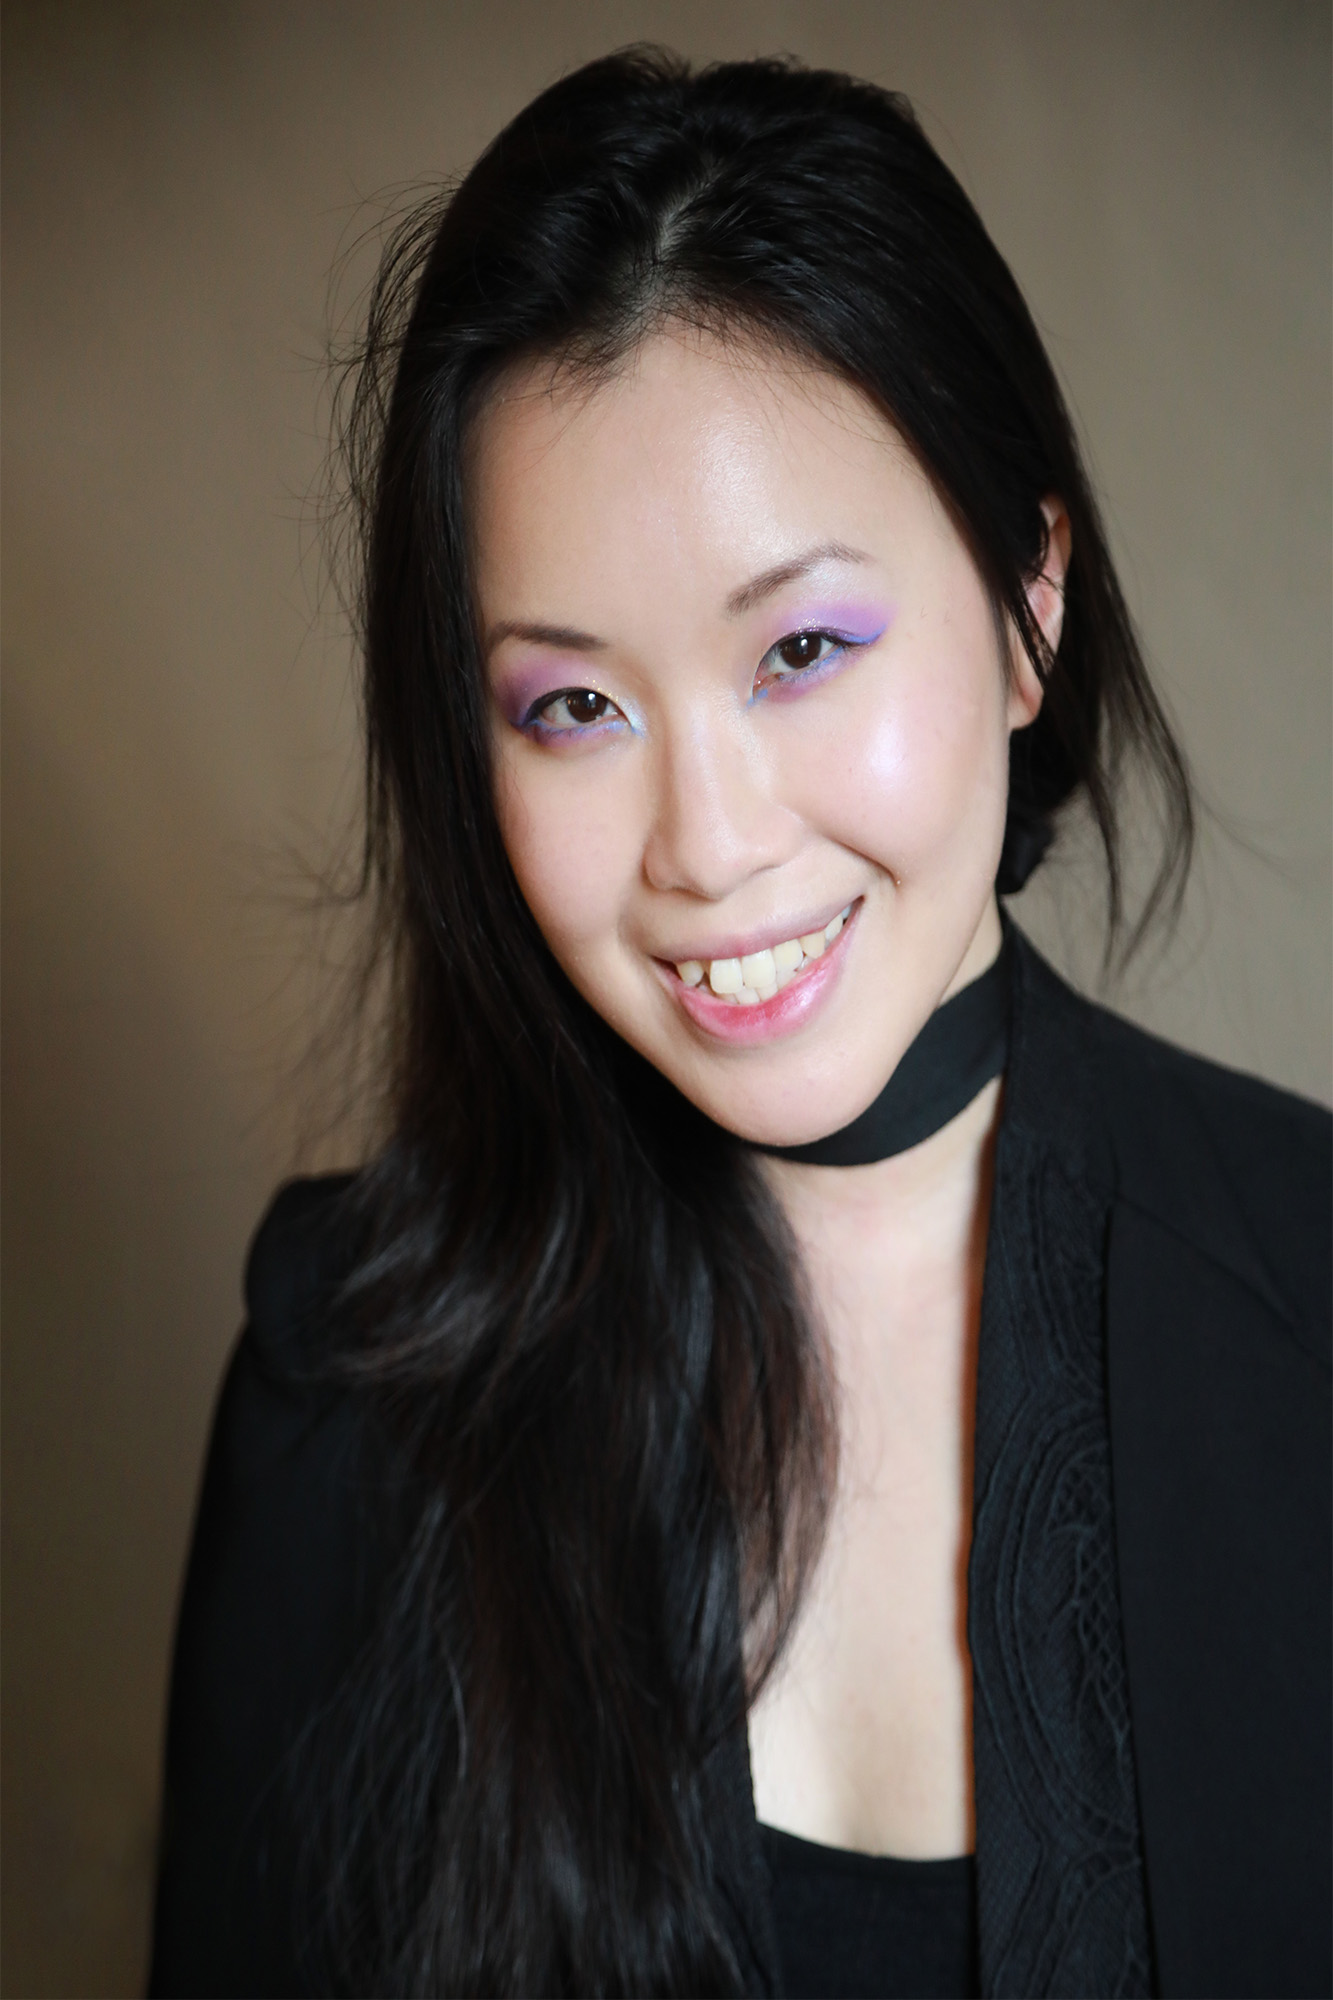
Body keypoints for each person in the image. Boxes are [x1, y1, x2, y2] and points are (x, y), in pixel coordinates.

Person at [148, 49, 1330, 2000]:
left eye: (798, 650)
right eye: (572, 707)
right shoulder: (346, 1389)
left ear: (1032, 601)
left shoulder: (1303, 1297)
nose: (703, 848)